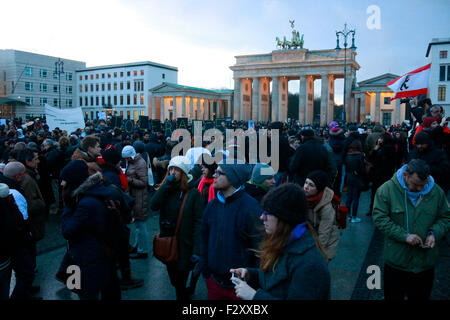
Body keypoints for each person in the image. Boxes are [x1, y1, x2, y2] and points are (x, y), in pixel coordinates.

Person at [230, 183, 330, 300]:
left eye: (269, 213)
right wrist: (250, 275)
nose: (262, 217)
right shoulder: (284, 241)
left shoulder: (310, 264)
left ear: (285, 218)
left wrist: (255, 296)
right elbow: (276, 280)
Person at [372, 159, 450, 300]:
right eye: (415, 184)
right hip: (396, 262)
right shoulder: (386, 190)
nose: (420, 189)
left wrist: (434, 233)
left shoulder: (437, 192)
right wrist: (404, 236)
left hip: (424, 264)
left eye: (423, 184)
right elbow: (379, 218)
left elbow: (445, 217)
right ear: (405, 175)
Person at [200, 161, 263, 300]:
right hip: (214, 282)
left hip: (240, 286)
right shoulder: (212, 205)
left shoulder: (251, 208)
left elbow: (260, 248)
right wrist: (206, 272)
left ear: (233, 178)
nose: (214, 175)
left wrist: (253, 280)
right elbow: (204, 238)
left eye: (220, 172)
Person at [60, 160, 121, 300]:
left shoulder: (86, 203)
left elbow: (67, 231)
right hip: (91, 253)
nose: (62, 184)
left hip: (87, 256)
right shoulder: (94, 194)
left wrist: (68, 206)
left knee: (87, 293)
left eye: (64, 181)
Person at [149, 156, 203, 300]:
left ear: (184, 173)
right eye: (171, 169)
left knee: (180, 281)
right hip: (168, 242)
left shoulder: (193, 193)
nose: (173, 172)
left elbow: (198, 222)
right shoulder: (167, 189)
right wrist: (164, 187)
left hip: (184, 245)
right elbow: (153, 205)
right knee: (173, 279)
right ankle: (184, 292)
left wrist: (197, 249)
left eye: (177, 170)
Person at [303, 170, 340, 260]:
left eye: (311, 185)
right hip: (312, 237)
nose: (306, 187)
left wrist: (316, 253)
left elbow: (324, 233)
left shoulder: (326, 207)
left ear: (318, 188)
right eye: (306, 183)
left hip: (326, 243)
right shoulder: (303, 197)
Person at [122, 145, 149, 259]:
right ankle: (138, 246)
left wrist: (129, 179)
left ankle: (143, 250)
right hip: (136, 196)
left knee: (141, 225)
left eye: (127, 158)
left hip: (140, 198)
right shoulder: (134, 162)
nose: (126, 160)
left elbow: (144, 182)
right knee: (138, 225)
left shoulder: (140, 163)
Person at [343, 139, 367, 223]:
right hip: (357, 178)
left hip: (349, 177)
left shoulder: (348, 155)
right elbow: (362, 170)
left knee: (349, 197)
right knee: (356, 198)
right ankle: (354, 216)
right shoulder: (360, 156)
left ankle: (347, 215)